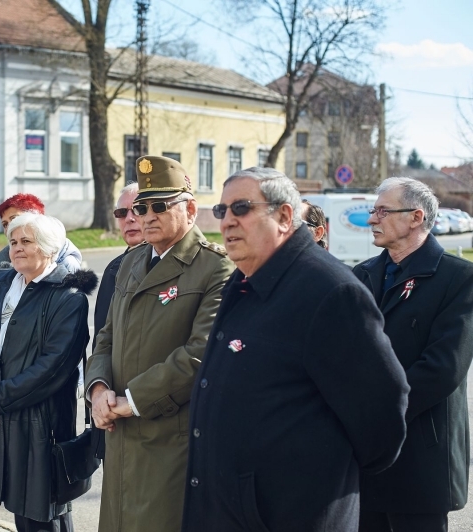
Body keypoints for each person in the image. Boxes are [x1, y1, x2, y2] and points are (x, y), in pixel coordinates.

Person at [181, 167, 409, 532]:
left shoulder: (330, 291)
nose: (227, 222)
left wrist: (326, 475)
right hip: (226, 512)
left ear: (285, 216)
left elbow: (381, 410)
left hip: (292, 516)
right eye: (222, 211)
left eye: (242, 208)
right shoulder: (243, 279)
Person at [85, 155, 234, 532]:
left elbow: (201, 353)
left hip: (168, 436)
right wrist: (98, 388)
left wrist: (131, 401)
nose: (146, 216)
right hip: (119, 435)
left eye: (159, 206)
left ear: (190, 209)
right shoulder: (133, 261)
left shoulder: (216, 267)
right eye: (140, 207)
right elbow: (106, 335)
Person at [0, 213, 96, 532]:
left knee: (37, 522)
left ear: (50, 248)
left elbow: (53, 368)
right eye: (12, 242)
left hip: (37, 426)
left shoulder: (69, 298)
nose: (17, 248)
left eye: (27, 241)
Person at [354, 177, 473, 532]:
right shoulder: (362, 275)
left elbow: (443, 369)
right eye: (372, 211)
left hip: (421, 457)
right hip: (365, 455)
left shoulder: (459, 278)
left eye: (381, 211)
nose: (372, 220)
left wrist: (377, 410)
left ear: (415, 217)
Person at [90, 182, 143, 459]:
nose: (130, 218)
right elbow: (102, 338)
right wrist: (98, 390)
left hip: (147, 406)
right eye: (122, 213)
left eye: (138, 210)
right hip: (110, 406)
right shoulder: (114, 268)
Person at [0, 193, 82, 287]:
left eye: (14, 219)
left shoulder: (68, 263)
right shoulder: (8, 253)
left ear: (38, 220)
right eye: (5, 224)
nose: (9, 227)